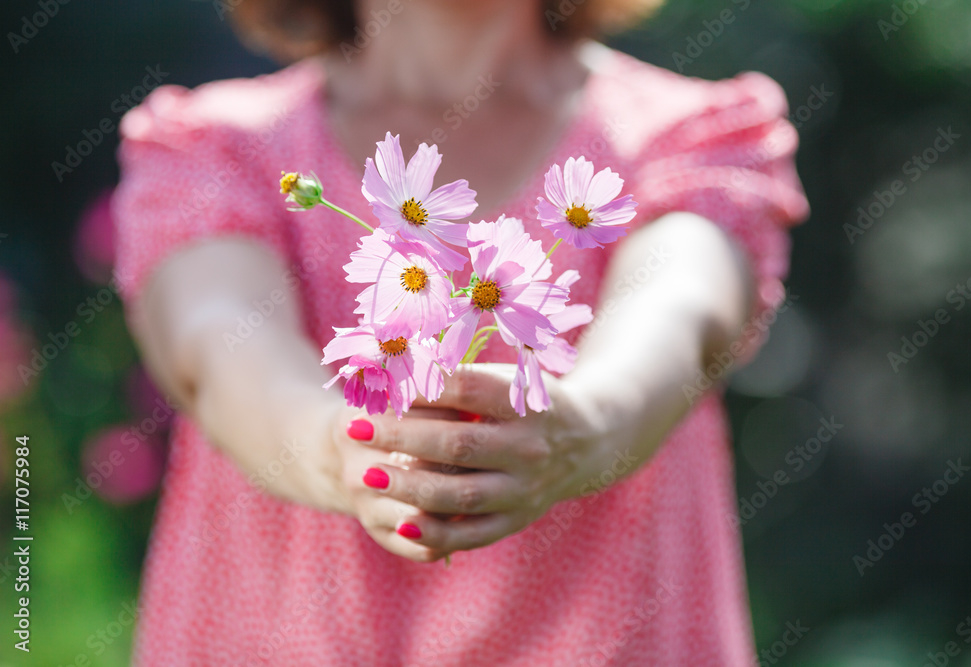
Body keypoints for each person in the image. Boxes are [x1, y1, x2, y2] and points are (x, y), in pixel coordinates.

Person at [112, 0, 809, 663]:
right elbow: (217, 340)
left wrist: (582, 425)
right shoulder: (216, 147)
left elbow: (682, 312)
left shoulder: (690, 138)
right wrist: (339, 452)